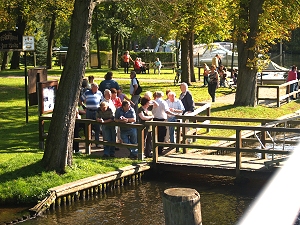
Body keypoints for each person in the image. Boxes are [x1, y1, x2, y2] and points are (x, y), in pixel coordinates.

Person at [152, 91, 176, 155]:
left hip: (154, 119)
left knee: (155, 135)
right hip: (162, 120)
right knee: (162, 136)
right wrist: (174, 114)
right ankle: (160, 150)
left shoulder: (153, 102)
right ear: (162, 96)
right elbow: (166, 111)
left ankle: (154, 149)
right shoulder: (163, 102)